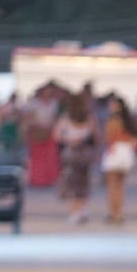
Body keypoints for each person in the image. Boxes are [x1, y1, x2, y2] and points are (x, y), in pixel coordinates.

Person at [53, 92, 99, 224]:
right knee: (83, 182)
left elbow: (56, 136)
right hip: (85, 153)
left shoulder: (65, 118)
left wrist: (69, 140)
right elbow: (96, 137)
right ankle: (82, 209)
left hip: (70, 153)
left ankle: (74, 211)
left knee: (72, 183)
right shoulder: (90, 118)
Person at [100, 95, 137, 224]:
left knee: (112, 185)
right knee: (121, 186)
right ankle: (119, 213)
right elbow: (135, 140)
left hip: (115, 151)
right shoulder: (129, 121)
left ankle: (113, 213)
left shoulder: (113, 120)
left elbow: (108, 137)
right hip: (126, 152)